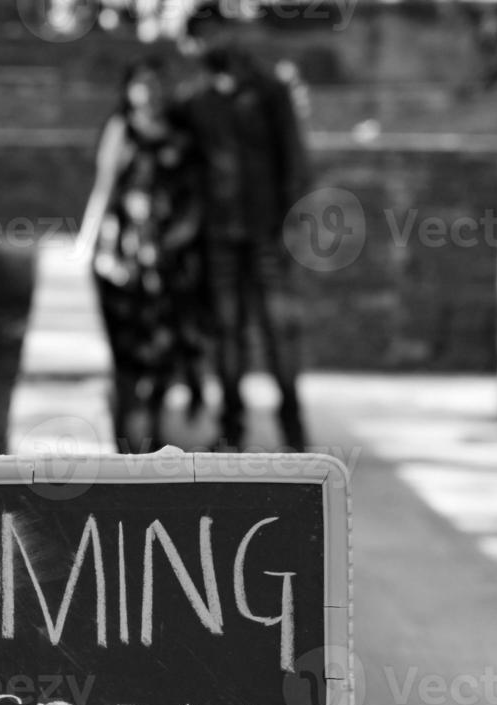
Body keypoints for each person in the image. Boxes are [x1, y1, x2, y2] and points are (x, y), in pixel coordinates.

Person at [178, 23, 310, 451]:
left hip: (267, 230)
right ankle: (232, 426)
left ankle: (292, 425)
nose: (205, 46)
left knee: (279, 329)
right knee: (226, 330)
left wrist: (292, 223)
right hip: (218, 235)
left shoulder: (269, 90)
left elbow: (293, 159)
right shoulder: (197, 100)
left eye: (209, 35)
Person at [79, 58, 207, 452]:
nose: (149, 91)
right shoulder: (122, 131)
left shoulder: (182, 136)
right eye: (141, 83)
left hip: (171, 261)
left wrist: (178, 240)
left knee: (167, 348)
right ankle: (123, 436)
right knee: (126, 350)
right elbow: (105, 186)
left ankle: (154, 430)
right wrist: (87, 241)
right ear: (129, 89)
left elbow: (196, 198)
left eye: (156, 82)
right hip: (124, 261)